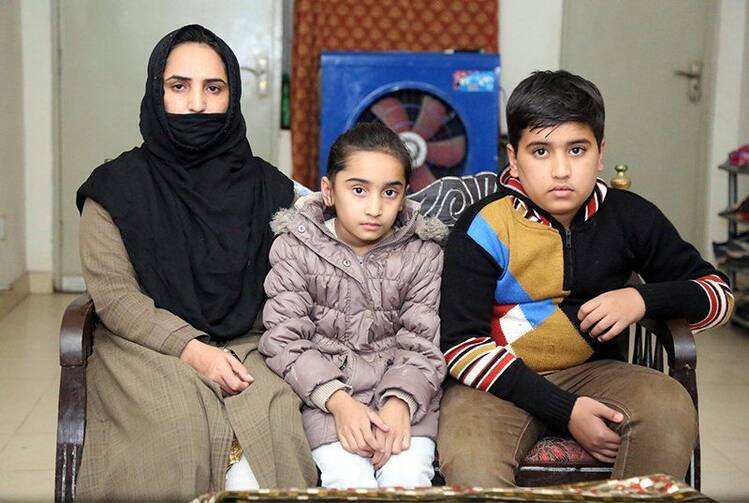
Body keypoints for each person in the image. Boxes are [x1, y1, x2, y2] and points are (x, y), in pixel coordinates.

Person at [436, 70, 734, 487]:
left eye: (577, 149)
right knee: (472, 461)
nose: (561, 170)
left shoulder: (631, 217)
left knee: (669, 407)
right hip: (494, 383)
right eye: (541, 151)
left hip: (593, 372)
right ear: (514, 158)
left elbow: (718, 295)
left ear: (600, 152)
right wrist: (566, 410)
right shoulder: (485, 225)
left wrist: (641, 300)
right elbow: (462, 347)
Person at [75, 25, 317, 500]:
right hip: (144, 345)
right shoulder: (114, 189)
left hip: (251, 341)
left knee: (273, 425)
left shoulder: (272, 190)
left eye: (214, 88)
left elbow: (296, 285)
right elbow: (118, 300)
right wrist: (192, 349)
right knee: (176, 426)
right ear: (156, 92)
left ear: (233, 97)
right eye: (178, 86)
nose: (197, 104)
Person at [259, 123, 447, 488]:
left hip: (405, 400)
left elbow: (422, 343)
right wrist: (339, 403)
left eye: (390, 193)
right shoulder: (295, 247)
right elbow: (284, 339)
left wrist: (400, 403)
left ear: (406, 195)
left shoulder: (423, 253)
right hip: (326, 402)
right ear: (329, 191)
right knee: (348, 480)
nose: (375, 208)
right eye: (358, 190)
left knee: (408, 478)